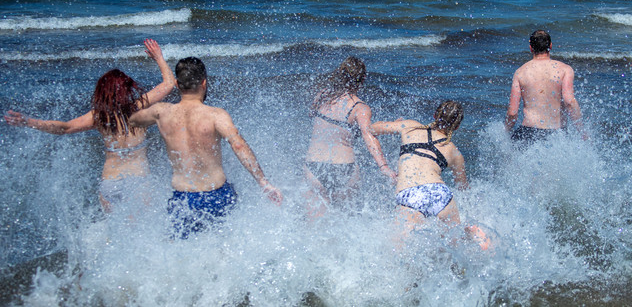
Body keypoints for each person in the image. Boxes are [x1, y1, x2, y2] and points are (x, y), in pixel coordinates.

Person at [4, 39, 175, 212]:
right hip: (139, 181)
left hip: (110, 184)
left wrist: (30, 122)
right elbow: (168, 84)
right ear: (127, 89)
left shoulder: (99, 116)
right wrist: (159, 58)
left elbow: (65, 127)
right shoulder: (139, 106)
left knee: (114, 232)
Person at [129, 57, 282, 239]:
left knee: (183, 250)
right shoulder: (216, 115)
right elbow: (238, 145)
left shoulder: (161, 112)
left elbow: (131, 118)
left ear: (177, 84)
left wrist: (161, 65)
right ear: (203, 83)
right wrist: (263, 182)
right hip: (216, 195)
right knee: (224, 245)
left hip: (183, 198)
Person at [372, 101, 489, 249]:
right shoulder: (454, 151)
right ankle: (471, 233)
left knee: (397, 253)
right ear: (457, 126)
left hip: (411, 194)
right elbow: (463, 188)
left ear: (434, 115)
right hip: (441, 195)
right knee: (454, 250)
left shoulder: (409, 126)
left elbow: (372, 129)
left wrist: (395, 124)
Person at [304, 56, 396, 216]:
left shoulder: (322, 95)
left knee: (314, 222)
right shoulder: (359, 108)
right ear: (362, 79)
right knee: (344, 219)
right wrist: (384, 167)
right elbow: (369, 137)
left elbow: (312, 115)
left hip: (314, 165)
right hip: (344, 167)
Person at [505, 30, 585, 144]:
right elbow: (569, 102)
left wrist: (505, 132)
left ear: (531, 48)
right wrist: (582, 131)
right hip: (557, 133)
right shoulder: (565, 70)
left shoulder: (520, 72)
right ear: (551, 46)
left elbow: (512, 112)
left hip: (528, 133)